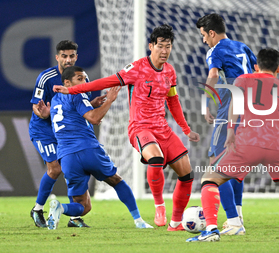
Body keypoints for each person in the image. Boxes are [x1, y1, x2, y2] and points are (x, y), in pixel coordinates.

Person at [53, 24, 200, 231]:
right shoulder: (137, 68)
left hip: (163, 128)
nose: (165, 51)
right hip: (140, 127)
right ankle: (159, 206)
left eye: (168, 46)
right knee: (155, 159)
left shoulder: (170, 72)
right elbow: (107, 81)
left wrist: (185, 129)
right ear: (151, 46)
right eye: (161, 46)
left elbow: (173, 102)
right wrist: (73, 90)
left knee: (187, 175)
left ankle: (175, 224)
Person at [186, 48, 279, 242]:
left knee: (209, 179)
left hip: (246, 143)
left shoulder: (243, 80)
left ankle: (211, 230)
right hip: (276, 145)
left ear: (256, 66)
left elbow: (235, 105)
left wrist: (231, 131)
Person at [44, 66, 153, 230]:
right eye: (79, 79)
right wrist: (109, 100)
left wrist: (91, 104)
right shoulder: (77, 94)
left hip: (66, 157)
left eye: (85, 78)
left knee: (83, 206)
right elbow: (94, 118)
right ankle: (139, 221)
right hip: (88, 149)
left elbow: (72, 115)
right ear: (67, 82)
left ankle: (61, 207)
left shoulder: (55, 100)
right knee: (116, 181)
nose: (84, 82)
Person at [29, 40, 105, 228]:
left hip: (67, 132)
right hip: (44, 130)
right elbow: (35, 105)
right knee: (55, 168)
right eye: (64, 56)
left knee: (76, 169)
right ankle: (38, 209)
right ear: (57, 57)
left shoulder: (82, 77)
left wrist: (92, 104)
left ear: (76, 57)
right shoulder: (46, 77)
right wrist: (44, 113)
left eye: (71, 56)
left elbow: (81, 105)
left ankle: (74, 217)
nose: (68, 59)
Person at [196, 13, 257, 235]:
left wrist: (205, 103)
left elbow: (212, 75)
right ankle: (238, 215)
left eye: (204, 35)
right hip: (252, 109)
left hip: (230, 108)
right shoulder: (244, 47)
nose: (204, 40)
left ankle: (233, 221)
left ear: (212, 33)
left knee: (216, 164)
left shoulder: (215, 50)